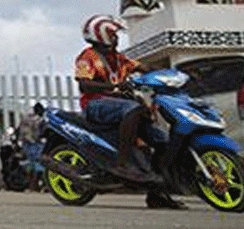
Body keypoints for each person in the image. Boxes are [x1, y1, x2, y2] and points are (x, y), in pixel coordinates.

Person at [75, 14, 185, 210]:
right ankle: (122, 162)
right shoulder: (87, 57)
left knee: (161, 141)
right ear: (101, 36)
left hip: (120, 105)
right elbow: (84, 85)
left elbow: (144, 68)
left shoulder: (119, 59)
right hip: (95, 104)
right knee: (133, 108)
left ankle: (157, 195)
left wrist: (173, 74)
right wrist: (114, 86)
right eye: (113, 34)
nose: (117, 38)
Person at [17, 102, 46, 191]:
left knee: (30, 163)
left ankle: (31, 186)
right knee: (37, 163)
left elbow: (21, 130)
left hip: (27, 142)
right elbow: (39, 132)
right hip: (35, 142)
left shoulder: (26, 117)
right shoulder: (37, 119)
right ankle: (37, 185)